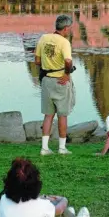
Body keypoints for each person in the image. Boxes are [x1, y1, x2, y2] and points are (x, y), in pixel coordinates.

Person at [35, 14, 76, 156]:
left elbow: (37, 61)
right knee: (62, 115)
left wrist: (49, 65)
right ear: (65, 28)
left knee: (48, 115)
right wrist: (67, 74)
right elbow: (68, 62)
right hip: (60, 81)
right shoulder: (64, 42)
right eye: (69, 28)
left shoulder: (44, 38)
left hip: (46, 80)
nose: (70, 30)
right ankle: (62, 148)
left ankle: (44, 148)